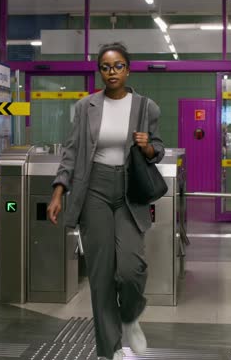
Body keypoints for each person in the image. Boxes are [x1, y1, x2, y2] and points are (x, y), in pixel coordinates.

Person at [47, 42, 165, 360]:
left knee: (130, 268)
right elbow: (72, 151)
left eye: (118, 66)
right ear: (100, 71)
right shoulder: (85, 107)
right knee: (101, 274)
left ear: (128, 68)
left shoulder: (146, 107)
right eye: (105, 67)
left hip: (129, 191)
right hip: (94, 189)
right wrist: (59, 190)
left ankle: (130, 317)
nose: (111, 72)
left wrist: (149, 148)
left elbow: (158, 148)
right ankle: (108, 349)